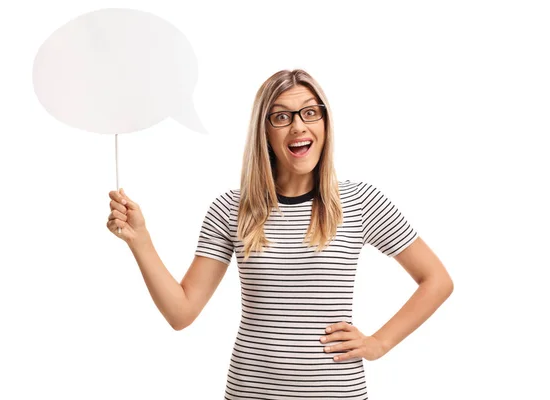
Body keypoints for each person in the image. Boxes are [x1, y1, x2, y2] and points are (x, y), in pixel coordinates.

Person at [106, 69, 453, 399]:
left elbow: (436, 279)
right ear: (265, 131)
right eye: (282, 116)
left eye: (310, 113)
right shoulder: (231, 209)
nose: (298, 126)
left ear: (325, 124)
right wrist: (141, 240)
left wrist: (380, 343)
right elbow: (181, 313)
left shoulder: (360, 202)